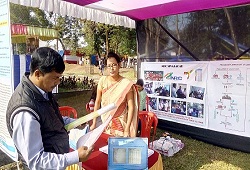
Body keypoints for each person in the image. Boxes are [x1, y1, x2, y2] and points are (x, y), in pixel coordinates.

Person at [6, 47, 93, 170]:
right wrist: (75, 156)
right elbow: (36, 161)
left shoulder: (41, 90)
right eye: (55, 77)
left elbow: (50, 119)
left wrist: (76, 122)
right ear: (37, 74)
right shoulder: (25, 112)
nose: (58, 82)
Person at [90, 52, 138, 137]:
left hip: (120, 123)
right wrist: (94, 123)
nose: (111, 68)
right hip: (105, 122)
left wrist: (127, 129)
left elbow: (131, 107)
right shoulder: (102, 81)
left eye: (114, 65)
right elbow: (97, 102)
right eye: (109, 66)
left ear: (119, 65)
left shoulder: (126, 84)